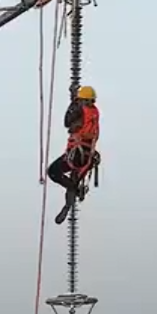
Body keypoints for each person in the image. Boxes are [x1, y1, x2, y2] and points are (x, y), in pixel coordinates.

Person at [47, 85, 100, 224]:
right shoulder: (94, 113)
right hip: (87, 157)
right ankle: (73, 190)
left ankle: (74, 189)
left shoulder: (80, 110)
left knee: (53, 171)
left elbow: (67, 120)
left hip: (76, 154)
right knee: (73, 179)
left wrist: (73, 100)